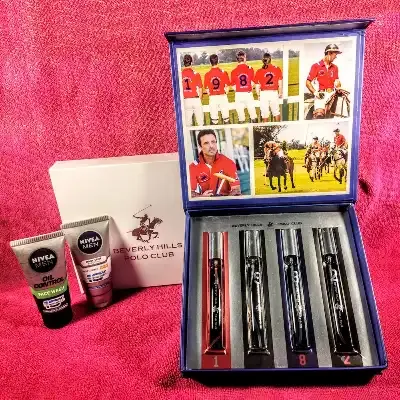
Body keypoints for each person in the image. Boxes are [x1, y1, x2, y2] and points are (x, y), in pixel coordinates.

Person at [189, 130, 241, 197]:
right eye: (206, 143)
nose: (211, 146)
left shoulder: (228, 163)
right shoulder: (193, 167)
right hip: (204, 202)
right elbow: (190, 193)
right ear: (200, 146)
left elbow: (236, 190)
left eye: (213, 142)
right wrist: (201, 197)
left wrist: (224, 201)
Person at [306, 44, 342, 119]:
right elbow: (307, 82)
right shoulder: (316, 66)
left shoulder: (335, 67)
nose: (336, 57)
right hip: (321, 95)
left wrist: (339, 87)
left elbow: (337, 81)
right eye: (335, 54)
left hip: (332, 94)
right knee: (319, 115)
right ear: (329, 53)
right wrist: (315, 93)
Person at [230, 51, 258, 123]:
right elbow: (253, 82)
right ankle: (256, 129)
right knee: (253, 115)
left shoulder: (233, 71)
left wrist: (239, 90)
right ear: (244, 58)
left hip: (239, 95)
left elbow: (233, 85)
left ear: (237, 59)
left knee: (241, 118)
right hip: (248, 94)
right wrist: (247, 88)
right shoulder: (250, 68)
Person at [254, 53, 283, 122]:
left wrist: (258, 95)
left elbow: (257, 86)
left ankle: (266, 128)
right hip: (273, 93)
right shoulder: (277, 69)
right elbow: (280, 84)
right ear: (270, 59)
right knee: (276, 112)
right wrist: (280, 93)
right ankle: (278, 127)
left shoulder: (259, 71)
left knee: (264, 114)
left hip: (264, 94)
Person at [204, 54, 231, 125]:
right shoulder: (223, 72)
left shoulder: (207, 74)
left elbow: (207, 90)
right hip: (222, 97)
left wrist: (212, 94)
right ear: (218, 61)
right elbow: (227, 88)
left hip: (213, 98)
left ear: (210, 62)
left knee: (214, 120)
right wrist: (224, 93)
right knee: (226, 119)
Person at [181, 54, 204, 126]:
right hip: (195, 99)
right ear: (191, 62)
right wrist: (199, 100)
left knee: (188, 124)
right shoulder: (196, 74)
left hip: (186, 100)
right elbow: (200, 89)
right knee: (200, 123)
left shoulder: (180, 74)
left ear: (184, 62)